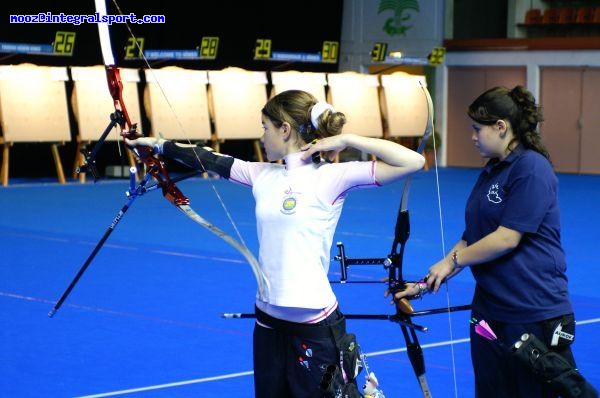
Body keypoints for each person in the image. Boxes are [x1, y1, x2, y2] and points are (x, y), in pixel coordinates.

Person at [126, 89, 425, 398]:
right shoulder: (262, 174)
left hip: (315, 325)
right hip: (267, 323)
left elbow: (412, 161)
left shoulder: (333, 177)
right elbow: (209, 158)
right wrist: (158, 146)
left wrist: (347, 141)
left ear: (285, 129)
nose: (262, 137)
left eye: (265, 128)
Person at [389, 85, 596, 398]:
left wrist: (453, 261)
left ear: (502, 127)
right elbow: (474, 235)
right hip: (489, 312)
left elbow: (506, 237)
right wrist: (427, 281)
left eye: (477, 129)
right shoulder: (491, 171)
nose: (472, 137)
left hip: (531, 312)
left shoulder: (532, 168)